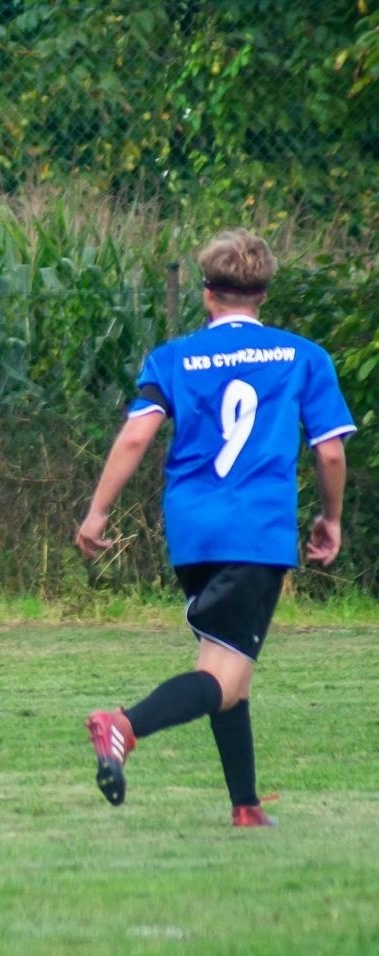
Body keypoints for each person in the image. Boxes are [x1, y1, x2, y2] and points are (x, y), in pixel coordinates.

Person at [75, 228, 353, 827]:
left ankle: (245, 806)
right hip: (257, 531)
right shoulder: (302, 356)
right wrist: (329, 518)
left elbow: (136, 435)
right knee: (221, 676)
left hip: (193, 532)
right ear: (262, 296)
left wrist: (98, 511)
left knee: (229, 662)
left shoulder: (172, 358)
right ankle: (123, 726)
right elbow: (330, 453)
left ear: (208, 295)